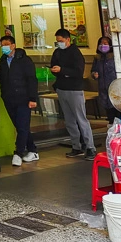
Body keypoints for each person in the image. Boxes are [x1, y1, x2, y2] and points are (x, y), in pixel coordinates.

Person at [51, 28, 96, 161]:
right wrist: (55, 70)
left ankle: (90, 147)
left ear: (68, 39)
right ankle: (76, 145)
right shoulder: (57, 52)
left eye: (61, 41)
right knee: (69, 120)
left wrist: (62, 70)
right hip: (61, 88)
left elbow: (78, 72)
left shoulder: (75, 53)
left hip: (75, 89)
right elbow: (53, 65)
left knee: (81, 119)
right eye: (57, 41)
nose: (59, 43)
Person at [0, 34, 38, 166]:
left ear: (13, 45)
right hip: (9, 99)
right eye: (2, 45)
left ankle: (18, 153)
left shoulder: (24, 60)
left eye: (6, 44)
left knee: (22, 127)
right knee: (21, 126)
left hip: (24, 98)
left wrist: (33, 98)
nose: (4, 47)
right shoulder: (3, 61)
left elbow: (32, 79)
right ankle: (32, 150)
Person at [91, 36, 120, 122]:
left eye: (105, 44)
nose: (103, 45)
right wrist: (94, 74)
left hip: (115, 89)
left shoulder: (115, 57)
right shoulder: (97, 58)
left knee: (117, 112)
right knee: (109, 113)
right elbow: (93, 70)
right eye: (101, 44)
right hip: (103, 89)